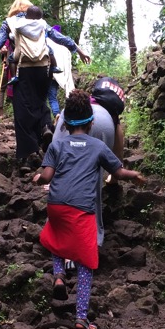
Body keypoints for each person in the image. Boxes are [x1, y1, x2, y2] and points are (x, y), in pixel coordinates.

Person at [34, 89, 145, 329]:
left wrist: (37, 177)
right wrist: (134, 175)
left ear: (64, 123)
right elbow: (117, 173)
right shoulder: (98, 146)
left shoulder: (57, 144)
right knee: (86, 262)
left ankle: (59, 275)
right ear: (92, 122)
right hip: (82, 209)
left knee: (56, 236)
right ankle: (81, 319)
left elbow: (47, 176)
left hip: (56, 204)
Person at [0, 0, 90, 170]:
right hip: (44, 69)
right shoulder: (40, 22)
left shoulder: (9, 23)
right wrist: (79, 50)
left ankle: (28, 155)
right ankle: (45, 126)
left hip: (23, 70)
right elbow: (58, 37)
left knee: (22, 109)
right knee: (40, 102)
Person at [52, 76, 127, 245]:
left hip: (68, 118)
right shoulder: (112, 116)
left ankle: (58, 233)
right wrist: (114, 178)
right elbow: (118, 150)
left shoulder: (78, 105)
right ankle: (90, 238)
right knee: (92, 181)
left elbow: (55, 146)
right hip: (104, 126)